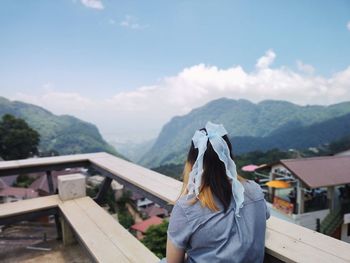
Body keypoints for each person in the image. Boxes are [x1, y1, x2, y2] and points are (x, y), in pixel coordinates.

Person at [163, 122, 270, 263]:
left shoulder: (187, 208)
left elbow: (173, 261)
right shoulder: (255, 191)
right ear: (230, 159)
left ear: (192, 164)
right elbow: (265, 216)